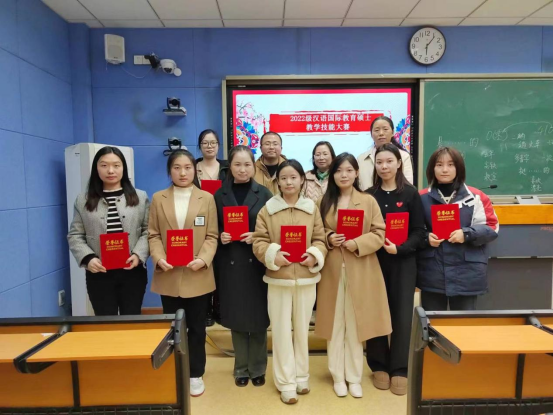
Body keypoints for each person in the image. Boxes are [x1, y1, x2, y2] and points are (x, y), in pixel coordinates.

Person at [315, 153, 391, 399]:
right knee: (335, 324)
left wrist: (357, 243)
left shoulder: (368, 201)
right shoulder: (324, 202)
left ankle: (354, 377)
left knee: (357, 325)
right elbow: (316, 231)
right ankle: (338, 375)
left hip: (361, 269)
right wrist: (329, 238)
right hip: (332, 271)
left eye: (349, 170)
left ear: (357, 173)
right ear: (333, 174)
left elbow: (379, 233)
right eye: (339, 171)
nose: (344, 175)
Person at [253, 159, 327, 405]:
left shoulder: (311, 208)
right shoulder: (268, 209)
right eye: (283, 178)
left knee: (302, 331)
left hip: (306, 279)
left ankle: (301, 376)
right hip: (279, 280)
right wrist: (273, 254)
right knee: (282, 332)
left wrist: (314, 255)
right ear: (278, 182)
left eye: (293, 177)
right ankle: (286, 383)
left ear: (302, 179)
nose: (288, 182)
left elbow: (320, 239)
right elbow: (259, 241)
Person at [148, 149, 218, 398]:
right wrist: (159, 257)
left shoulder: (206, 198)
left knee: (197, 328)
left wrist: (203, 259)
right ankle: (173, 370)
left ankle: (195, 373)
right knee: (172, 328)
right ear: (170, 171)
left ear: (194, 170)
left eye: (187, 167)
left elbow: (212, 235)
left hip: (197, 273)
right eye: (176, 168)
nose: (182, 173)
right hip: (169, 274)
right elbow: (153, 234)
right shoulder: (158, 198)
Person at [365, 143, 425, 396]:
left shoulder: (410, 194)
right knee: (376, 312)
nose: (384, 166)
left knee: (401, 314)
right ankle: (378, 364)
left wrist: (400, 249)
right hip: (374, 262)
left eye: (389, 161)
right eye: (379, 162)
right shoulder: (368, 195)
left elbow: (419, 232)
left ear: (399, 163)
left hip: (403, 262)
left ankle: (400, 367)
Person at [213, 145, 273, 388]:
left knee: (258, 317)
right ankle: (240, 368)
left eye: (247, 164)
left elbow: (272, 228)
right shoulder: (219, 195)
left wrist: (257, 235)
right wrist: (221, 235)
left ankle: (258, 367)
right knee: (237, 315)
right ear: (230, 167)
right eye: (237, 164)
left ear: (254, 166)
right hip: (230, 262)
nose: (242, 169)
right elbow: (211, 227)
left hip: (256, 263)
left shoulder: (265, 194)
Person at [68, 146, 150, 316]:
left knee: (132, 318)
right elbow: (75, 235)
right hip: (99, 273)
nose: (110, 170)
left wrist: (138, 254)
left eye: (116, 165)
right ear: (96, 168)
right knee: (105, 321)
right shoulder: (83, 200)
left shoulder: (140, 197)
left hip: (132, 271)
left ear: (123, 168)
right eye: (104, 165)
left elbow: (148, 231)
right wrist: (88, 258)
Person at [418, 146, 499, 312]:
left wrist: (466, 234)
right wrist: (426, 238)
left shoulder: (476, 197)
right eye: (439, 165)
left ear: (459, 168)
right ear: (432, 168)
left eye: (450, 164)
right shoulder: (421, 197)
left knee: (464, 325)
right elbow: (413, 231)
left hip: (466, 274)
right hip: (433, 273)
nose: (444, 169)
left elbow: (492, 227)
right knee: (433, 324)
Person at [196, 129, 228, 326]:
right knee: (203, 264)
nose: (209, 146)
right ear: (200, 146)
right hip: (200, 221)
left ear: (218, 145)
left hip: (224, 220)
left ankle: (219, 308)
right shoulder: (192, 167)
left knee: (220, 267)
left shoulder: (227, 168)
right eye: (205, 143)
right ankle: (205, 309)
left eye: (213, 142)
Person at [358, 116, 413, 191]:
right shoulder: (361, 158)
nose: (381, 133)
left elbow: (408, 185)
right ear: (371, 134)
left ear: (392, 132)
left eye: (385, 129)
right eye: (377, 130)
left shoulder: (403, 156)